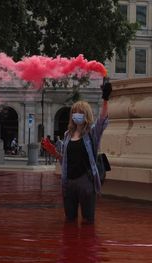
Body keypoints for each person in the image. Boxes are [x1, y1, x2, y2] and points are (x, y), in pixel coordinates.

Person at [52, 81, 112, 224]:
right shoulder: (67, 134)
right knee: (69, 220)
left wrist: (105, 99)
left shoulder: (91, 133)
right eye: (74, 112)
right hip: (68, 183)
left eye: (80, 112)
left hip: (85, 182)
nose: (76, 115)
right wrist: (54, 153)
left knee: (87, 221)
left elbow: (102, 121)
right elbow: (65, 161)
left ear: (86, 115)